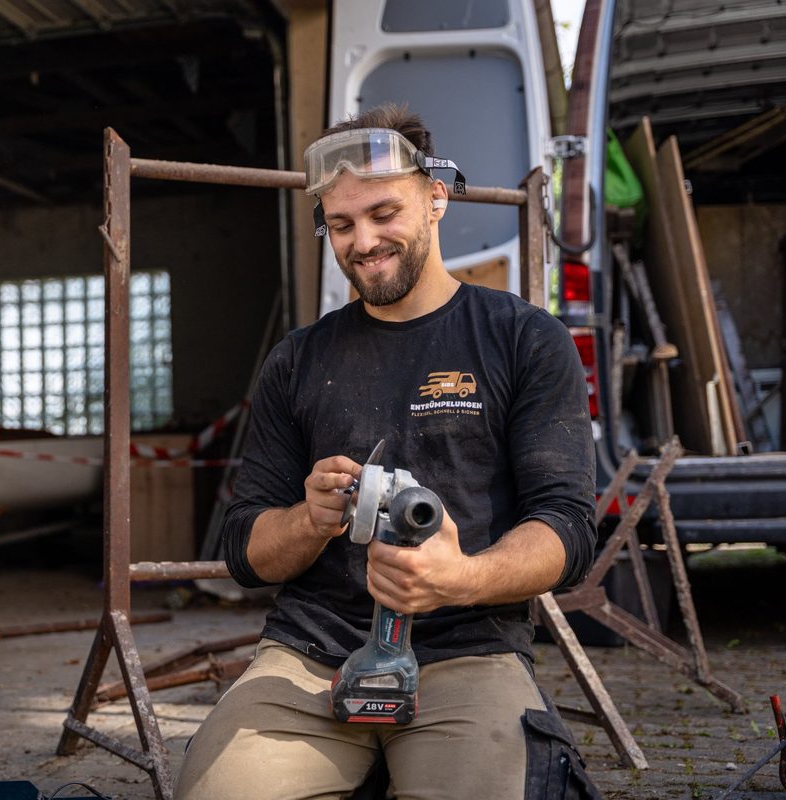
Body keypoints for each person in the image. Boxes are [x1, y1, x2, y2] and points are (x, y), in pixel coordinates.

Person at [173, 104, 600, 800]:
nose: (363, 242)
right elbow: (244, 553)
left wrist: (458, 579)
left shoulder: (523, 340)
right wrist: (307, 520)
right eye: (340, 225)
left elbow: (570, 528)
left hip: (467, 653)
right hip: (310, 657)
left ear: (435, 199)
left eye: (383, 214)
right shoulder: (297, 361)